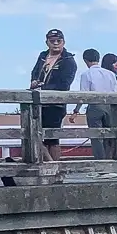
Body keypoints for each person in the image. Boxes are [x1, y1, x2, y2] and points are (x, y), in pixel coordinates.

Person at [29, 28, 77, 161]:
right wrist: (34, 82)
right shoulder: (42, 56)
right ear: (47, 42)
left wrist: (43, 87)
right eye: (52, 41)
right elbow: (34, 72)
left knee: (53, 139)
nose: (55, 43)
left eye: (58, 41)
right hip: (39, 103)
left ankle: (54, 167)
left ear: (63, 42)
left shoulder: (68, 60)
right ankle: (42, 165)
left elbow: (64, 83)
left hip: (55, 104)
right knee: (36, 136)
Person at [72, 47, 117, 160]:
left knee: (96, 136)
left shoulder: (86, 74)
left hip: (95, 106)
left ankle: (100, 162)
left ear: (85, 60)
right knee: (110, 136)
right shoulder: (110, 74)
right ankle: (111, 161)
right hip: (110, 106)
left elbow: (83, 95)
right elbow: (116, 93)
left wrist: (76, 111)